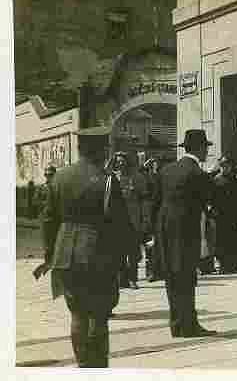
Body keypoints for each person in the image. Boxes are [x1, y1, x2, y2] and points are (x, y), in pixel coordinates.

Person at [34, 125, 132, 367]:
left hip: (66, 254)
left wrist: (49, 255)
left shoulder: (59, 177)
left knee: (77, 312)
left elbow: (48, 220)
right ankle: (98, 365)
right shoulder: (108, 181)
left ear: (80, 149)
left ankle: (83, 364)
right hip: (98, 253)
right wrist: (126, 257)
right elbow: (120, 224)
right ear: (100, 150)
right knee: (98, 314)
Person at [154, 129, 217, 338]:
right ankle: (189, 325)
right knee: (187, 278)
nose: (207, 152)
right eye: (206, 147)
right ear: (199, 148)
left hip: (165, 230)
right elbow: (209, 198)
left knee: (172, 278)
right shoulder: (197, 173)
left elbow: (156, 202)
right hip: (186, 232)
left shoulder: (167, 170)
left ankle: (176, 324)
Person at [113, 152, 144, 290]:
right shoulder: (112, 177)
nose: (120, 163)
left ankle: (132, 279)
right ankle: (122, 279)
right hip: (117, 220)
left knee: (132, 252)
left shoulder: (135, 178)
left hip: (133, 218)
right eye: (118, 161)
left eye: (123, 161)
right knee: (119, 251)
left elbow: (142, 197)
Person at [210, 155, 237, 274]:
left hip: (233, 215)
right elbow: (211, 198)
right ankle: (223, 263)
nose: (224, 168)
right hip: (219, 215)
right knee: (220, 240)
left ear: (231, 166)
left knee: (233, 239)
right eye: (222, 166)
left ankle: (232, 264)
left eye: (227, 166)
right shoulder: (216, 180)